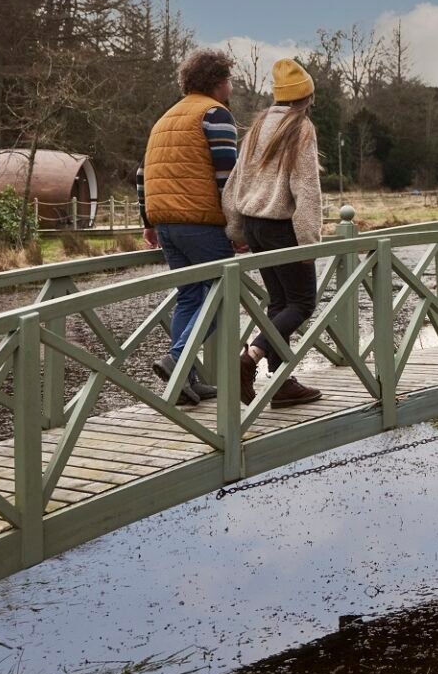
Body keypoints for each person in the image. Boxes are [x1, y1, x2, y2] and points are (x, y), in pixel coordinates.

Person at [136, 47, 241, 405]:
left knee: (191, 296)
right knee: (222, 295)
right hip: (202, 224)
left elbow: (142, 174)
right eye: (228, 79)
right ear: (217, 82)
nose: (231, 85)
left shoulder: (164, 119)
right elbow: (227, 177)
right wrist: (237, 227)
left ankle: (185, 383)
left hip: (166, 225)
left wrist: (148, 221)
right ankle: (178, 360)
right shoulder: (215, 114)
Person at [222, 57, 325, 407]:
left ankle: (281, 383)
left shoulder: (260, 124)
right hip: (282, 227)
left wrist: (236, 228)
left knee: (280, 303)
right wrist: (309, 241)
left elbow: (238, 180)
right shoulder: (301, 128)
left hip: (254, 224)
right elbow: (307, 188)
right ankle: (250, 358)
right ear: (306, 96)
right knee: (302, 303)